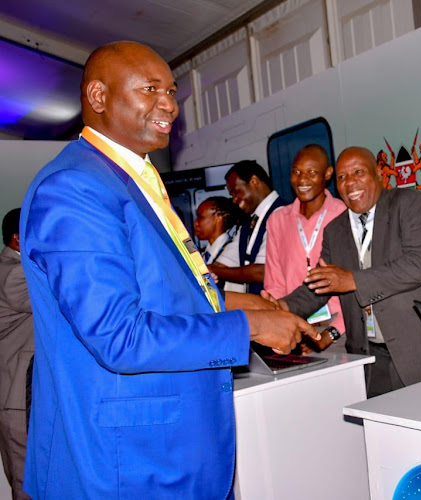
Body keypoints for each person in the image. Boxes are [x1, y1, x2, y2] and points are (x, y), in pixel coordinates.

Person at [19, 40, 316, 499]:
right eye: (151, 89)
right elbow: (119, 336)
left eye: (173, 91)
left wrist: (250, 303)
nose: (170, 105)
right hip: (123, 466)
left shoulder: (133, 179)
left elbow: (176, 292)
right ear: (98, 97)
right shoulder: (75, 189)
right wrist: (247, 327)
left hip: (169, 454)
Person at [272, 146, 421, 397]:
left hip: (417, 354)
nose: (350, 182)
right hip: (369, 359)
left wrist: (352, 280)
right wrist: (281, 307)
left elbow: (420, 265)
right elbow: (320, 286)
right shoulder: (334, 230)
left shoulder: (411, 205)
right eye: (342, 177)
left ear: (378, 175)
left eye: (358, 172)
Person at [263, 145, 347, 351]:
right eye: (296, 172)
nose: (302, 180)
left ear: (327, 174)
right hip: (293, 327)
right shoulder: (277, 220)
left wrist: (331, 332)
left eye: (311, 172)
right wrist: (285, 326)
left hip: (338, 329)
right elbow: (275, 282)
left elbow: (354, 282)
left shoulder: (343, 214)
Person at [213, 160, 287, 294]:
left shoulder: (282, 214)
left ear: (254, 181)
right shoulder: (248, 224)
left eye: (236, 192)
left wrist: (214, 271)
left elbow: (261, 271)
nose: (234, 200)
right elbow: (224, 263)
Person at [0, 208, 33, 500]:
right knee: (25, 482)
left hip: (19, 393)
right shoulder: (15, 274)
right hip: (16, 397)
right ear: (17, 239)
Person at [193, 196, 244, 292]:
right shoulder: (205, 254)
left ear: (218, 219)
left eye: (200, 217)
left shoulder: (233, 250)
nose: (195, 222)